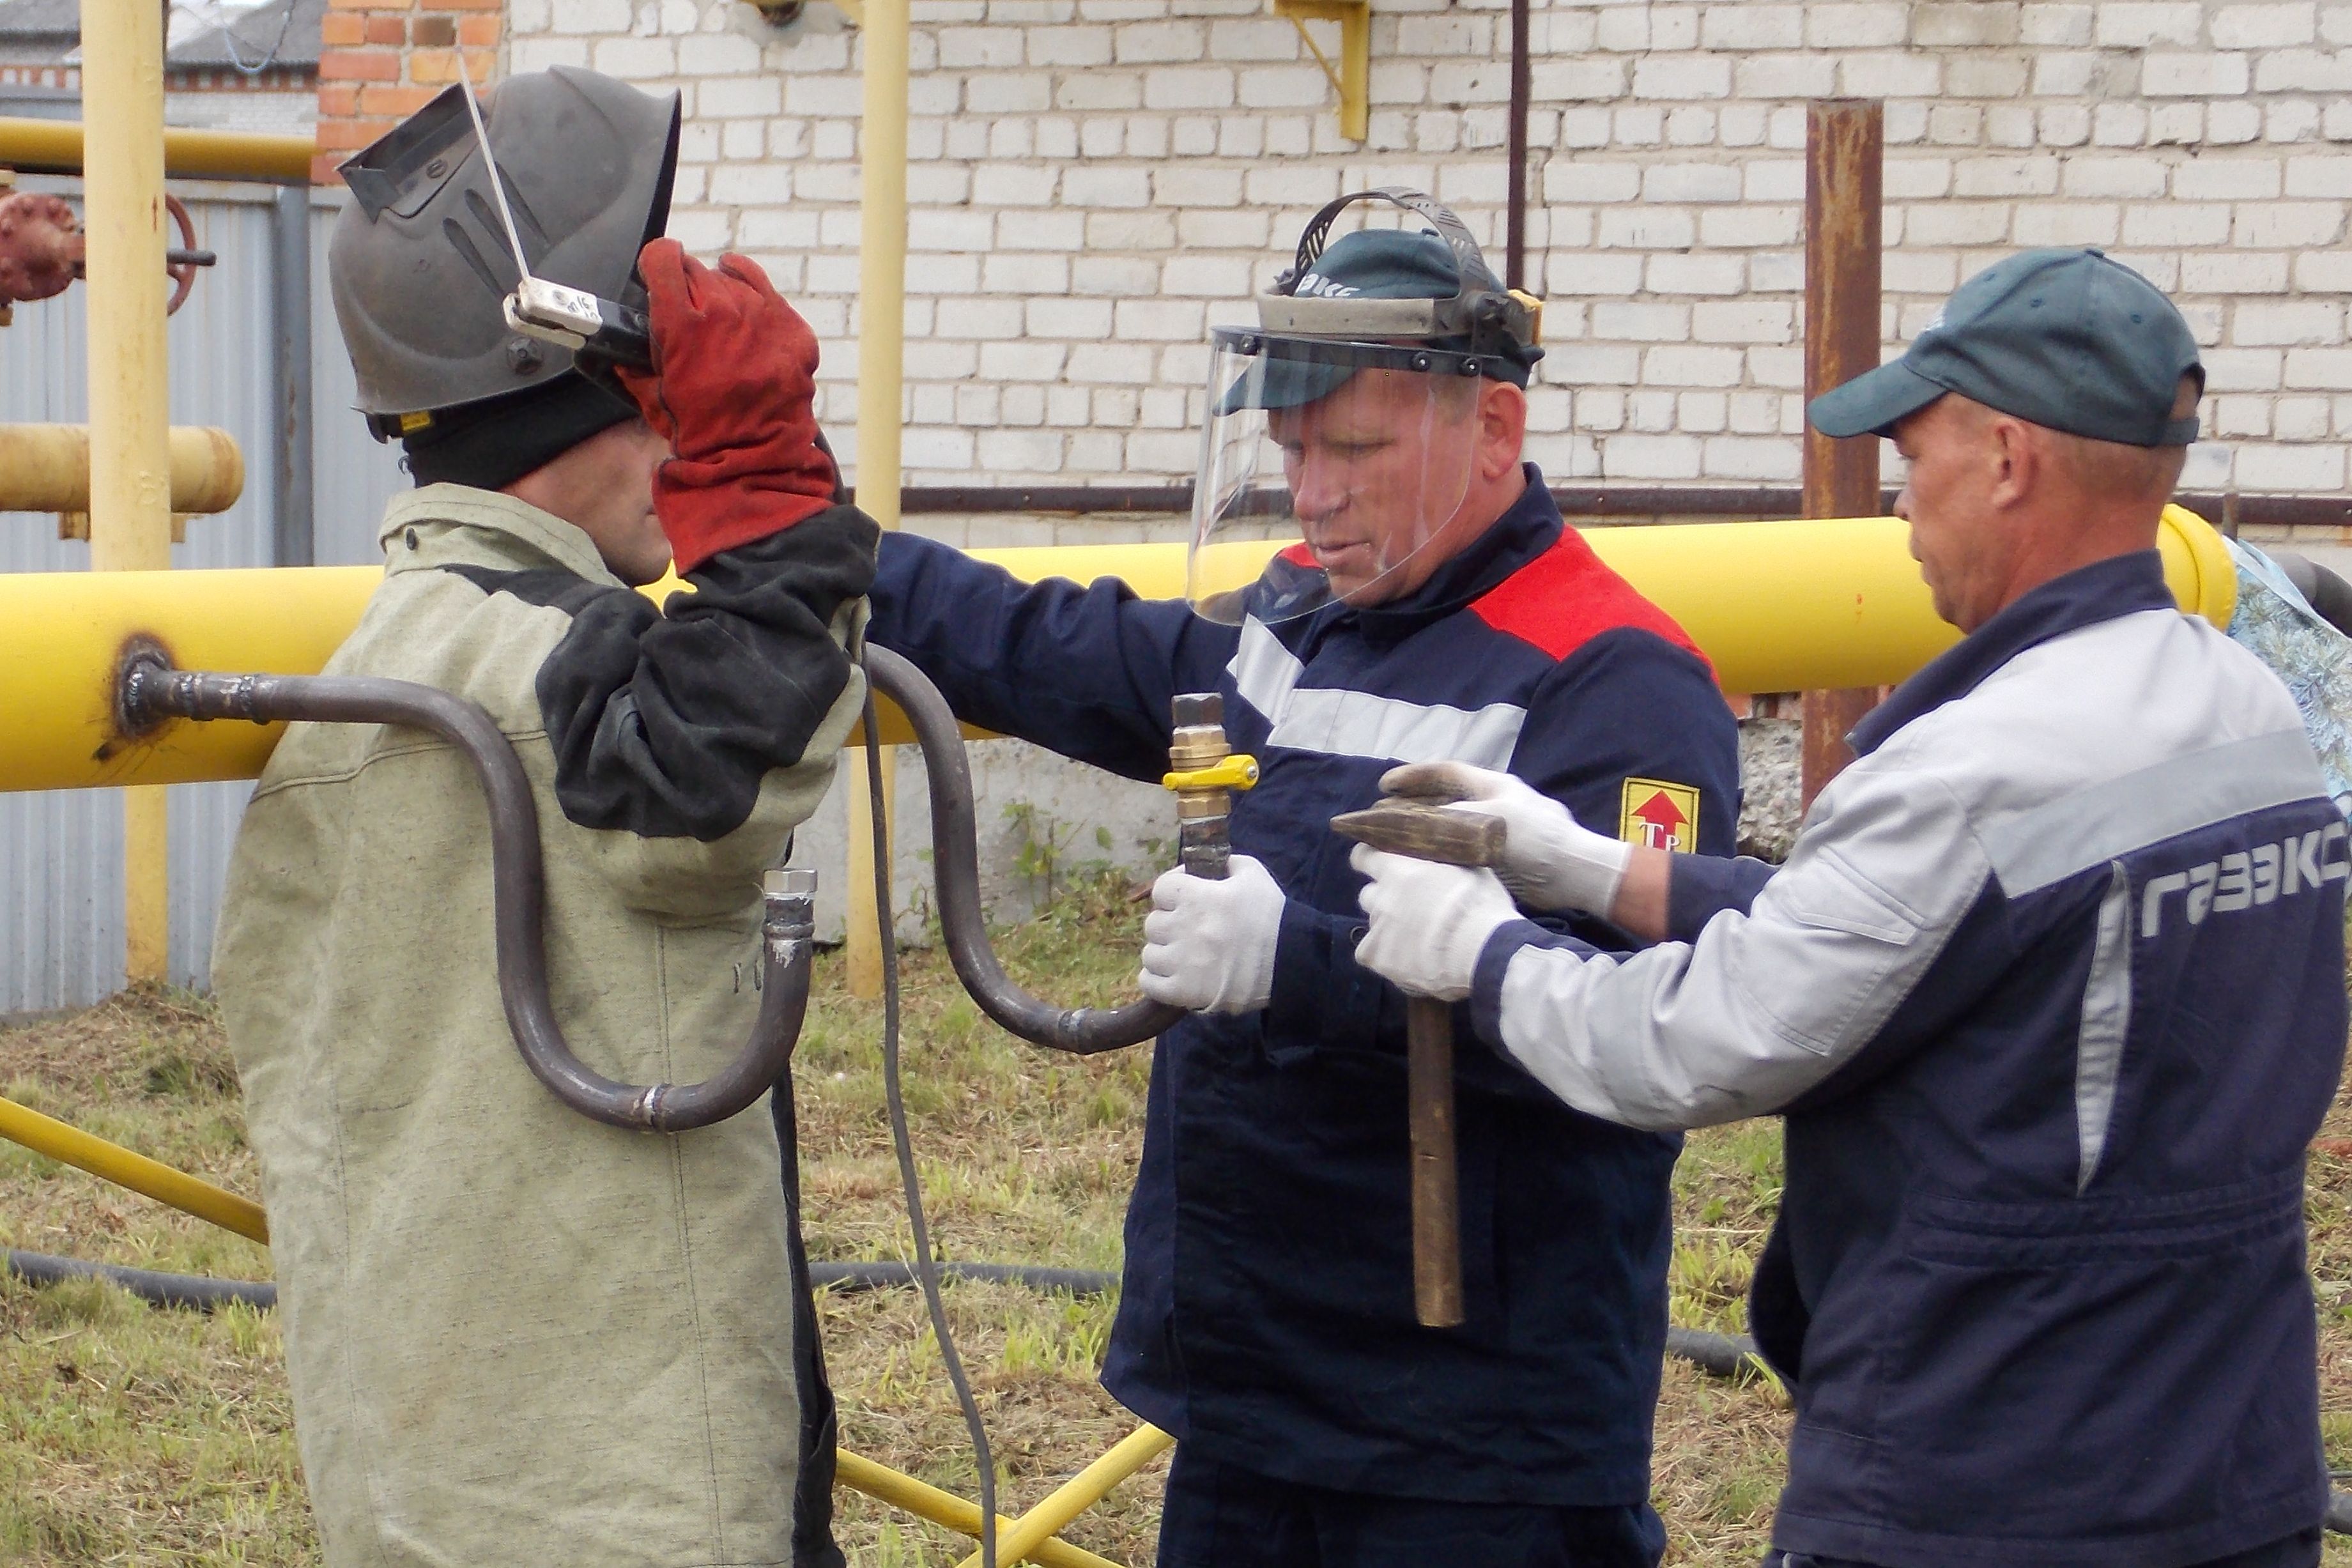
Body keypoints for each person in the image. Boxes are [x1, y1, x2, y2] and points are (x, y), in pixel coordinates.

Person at [1352, 249, 2347, 1568]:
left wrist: (1477, 952)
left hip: (1988, 1477)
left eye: (1910, 456)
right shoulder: (2246, 712)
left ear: (2003, 459)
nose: (1897, 505)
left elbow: (1703, 1042)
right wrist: (1591, 869)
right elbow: (1930, 933)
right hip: (2221, 1456)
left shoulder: (1972, 766)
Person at [863, 192, 1739, 1568]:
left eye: (1352, 450)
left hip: (1469, 1434)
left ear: (1490, 430)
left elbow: (1645, 1032)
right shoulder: (1296, 611)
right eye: (1287, 452)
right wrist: (826, 556)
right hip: (1253, 1384)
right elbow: (1061, 649)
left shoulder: (1610, 677)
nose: (1313, 492)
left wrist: (1302, 967)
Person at [211, 68, 872, 1567]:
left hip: (429, 1490)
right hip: (622, 1513)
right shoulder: (539, 684)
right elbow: (703, 771)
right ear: (604, 372)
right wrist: (764, 475)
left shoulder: (379, 671)